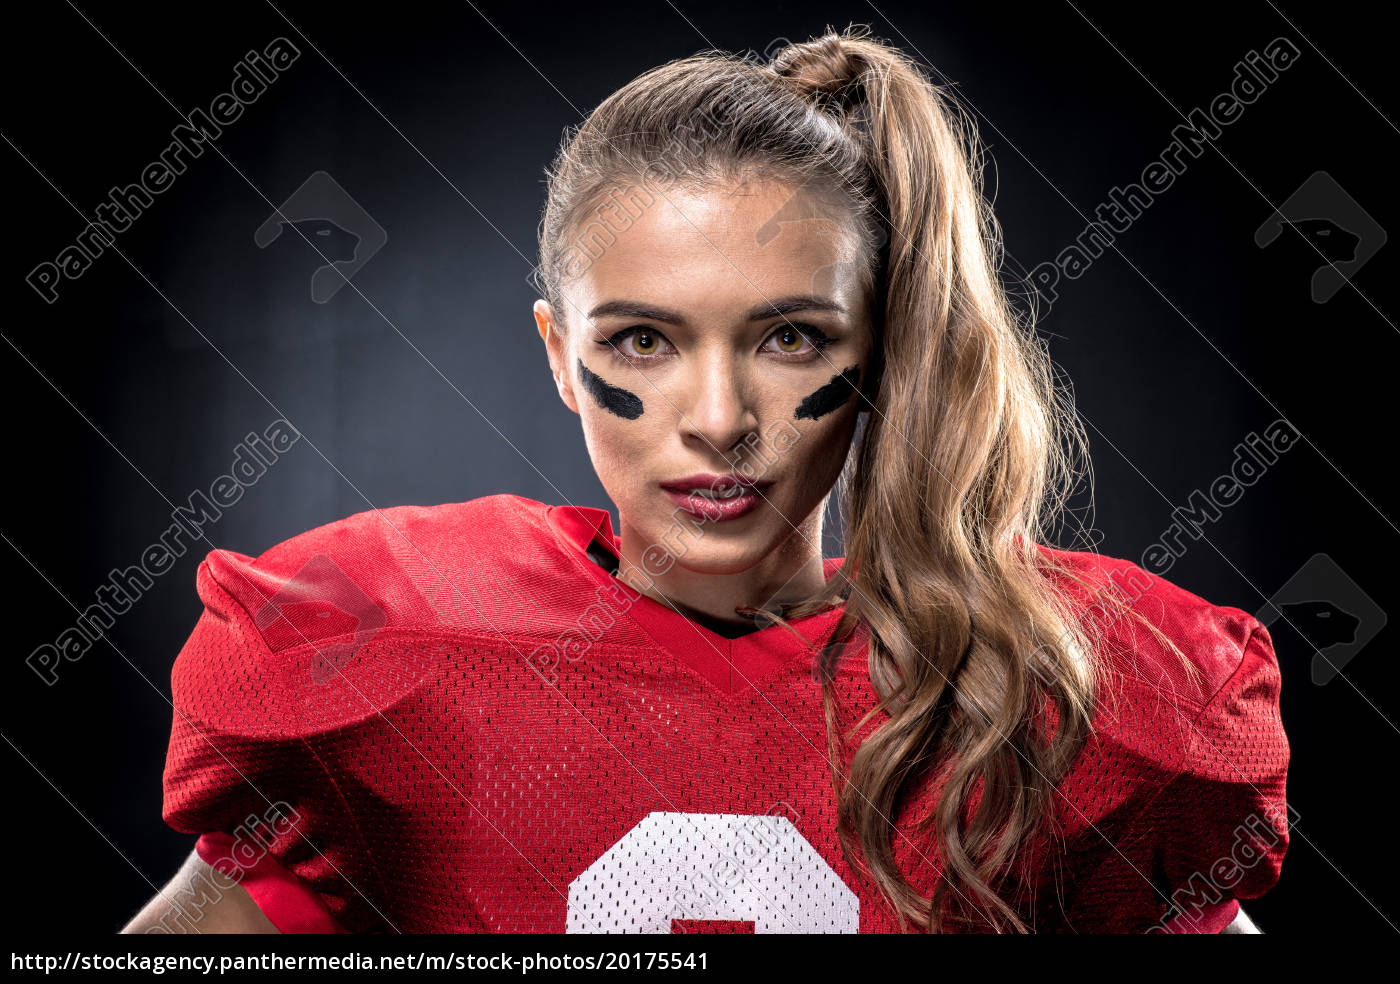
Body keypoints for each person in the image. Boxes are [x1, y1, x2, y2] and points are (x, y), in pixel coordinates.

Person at [122, 27, 1288, 934]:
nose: (719, 420)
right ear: (557, 356)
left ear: (877, 349)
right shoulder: (395, 657)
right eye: (642, 341)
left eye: (788, 339)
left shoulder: (1050, 687)